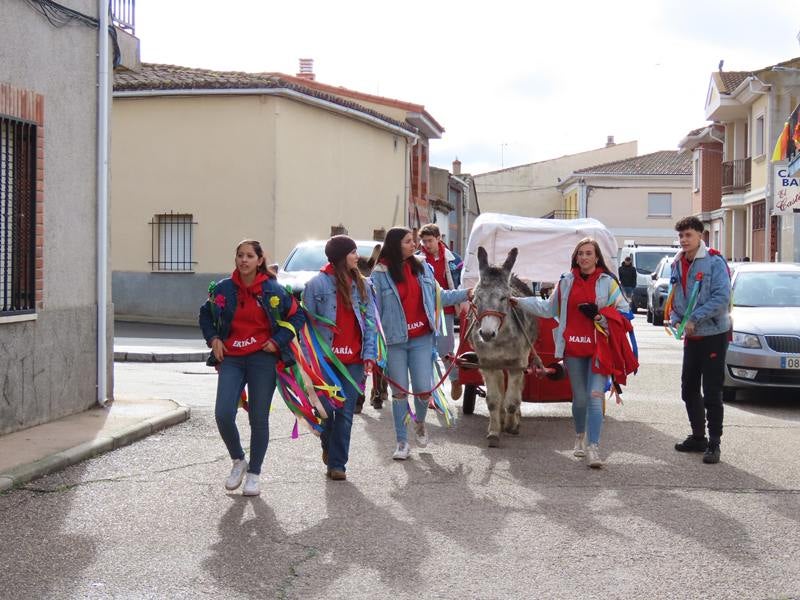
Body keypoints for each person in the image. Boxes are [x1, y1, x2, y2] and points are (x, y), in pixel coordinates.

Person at [199, 239, 305, 496]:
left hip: (262, 359)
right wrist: (213, 339)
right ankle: (239, 460)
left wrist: (276, 341)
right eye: (240, 255)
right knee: (223, 413)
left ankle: (254, 474)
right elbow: (205, 314)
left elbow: (298, 314)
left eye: (249, 256)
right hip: (231, 359)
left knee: (258, 418)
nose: (244, 260)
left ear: (260, 261)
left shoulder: (273, 289)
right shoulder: (223, 289)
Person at [514, 238, 633, 468]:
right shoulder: (566, 282)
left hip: (599, 350)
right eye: (581, 254)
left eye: (589, 253)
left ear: (597, 257)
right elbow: (548, 309)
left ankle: (594, 448)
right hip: (573, 350)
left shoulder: (608, 283)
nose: (585, 257)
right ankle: (580, 436)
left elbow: (625, 313)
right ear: (576, 258)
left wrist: (599, 316)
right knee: (579, 398)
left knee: (595, 399)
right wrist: (517, 301)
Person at [371, 226, 470, 460]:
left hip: (422, 339)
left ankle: (421, 424)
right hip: (395, 342)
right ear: (395, 245)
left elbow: (440, 296)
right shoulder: (379, 273)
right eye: (408, 241)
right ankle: (402, 442)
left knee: (424, 390)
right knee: (399, 393)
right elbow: (373, 313)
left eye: (413, 241)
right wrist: (374, 346)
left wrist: (467, 293)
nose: (414, 245)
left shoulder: (422, 267)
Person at [302, 235, 378, 481]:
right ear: (340, 256)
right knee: (325, 411)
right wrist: (306, 363)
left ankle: (338, 465)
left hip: (353, 361)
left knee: (345, 413)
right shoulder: (316, 285)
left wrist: (369, 354)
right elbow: (307, 327)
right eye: (353, 252)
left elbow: (370, 323)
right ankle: (328, 443)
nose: (357, 256)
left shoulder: (364, 285)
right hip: (324, 361)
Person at [667, 216, 731, 464]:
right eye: (681, 236)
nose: (683, 240)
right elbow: (676, 298)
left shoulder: (714, 262)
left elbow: (721, 297)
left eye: (688, 235)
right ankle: (698, 437)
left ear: (700, 236)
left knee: (712, 392)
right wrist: (675, 318)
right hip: (692, 338)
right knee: (688, 389)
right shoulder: (677, 262)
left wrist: (694, 318)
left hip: (713, 335)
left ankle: (714, 443)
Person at [417, 223, 464, 401]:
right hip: (423, 312)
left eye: (429, 240)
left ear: (439, 239)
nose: (426, 244)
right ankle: (434, 393)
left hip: (445, 312)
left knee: (445, 350)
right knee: (427, 351)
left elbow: (462, 282)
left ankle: (455, 379)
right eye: (423, 241)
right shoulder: (417, 259)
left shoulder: (454, 260)